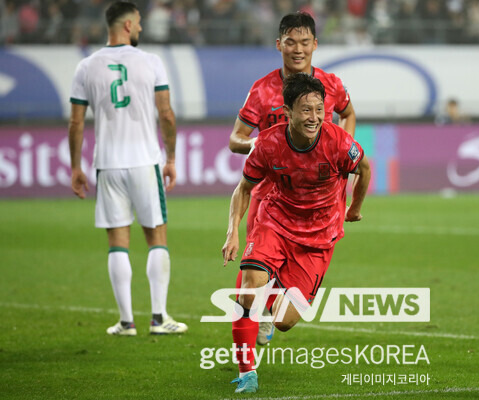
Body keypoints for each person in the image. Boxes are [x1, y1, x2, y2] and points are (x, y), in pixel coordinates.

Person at [222, 73, 371, 393]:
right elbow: (243, 189)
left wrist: (355, 208)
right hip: (274, 222)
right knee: (248, 290)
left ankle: (271, 300)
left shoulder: (340, 142)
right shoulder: (267, 143)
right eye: (306, 110)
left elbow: (365, 168)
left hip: (318, 238)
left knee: (284, 322)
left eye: (320, 110)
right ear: (288, 112)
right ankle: (246, 373)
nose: (314, 117)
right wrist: (233, 231)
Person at [228, 11, 357, 346]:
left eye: (304, 42)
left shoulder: (329, 85)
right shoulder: (261, 90)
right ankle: (247, 349)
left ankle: (269, 310)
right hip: (271, 194)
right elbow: (235, 139)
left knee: (282, 306)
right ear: (279, 45)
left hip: (316, 199)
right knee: (252, 277)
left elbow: (348, 113)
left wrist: (345, 154)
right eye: (290, 42)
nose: (297, 49)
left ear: (315, 44)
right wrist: (263, 145)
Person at [68, 1, 187, 336]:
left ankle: (125, 322)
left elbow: (76, 122)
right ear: (128, 24)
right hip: (144, 161)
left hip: (107, 163)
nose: (141, 29)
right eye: (138, 24)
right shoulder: (150, 62)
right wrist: (172, 158)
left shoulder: (87, 66)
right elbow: (166, 114)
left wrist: (76, 166)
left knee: (117, 242)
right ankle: (159, 318)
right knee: (156, 238)